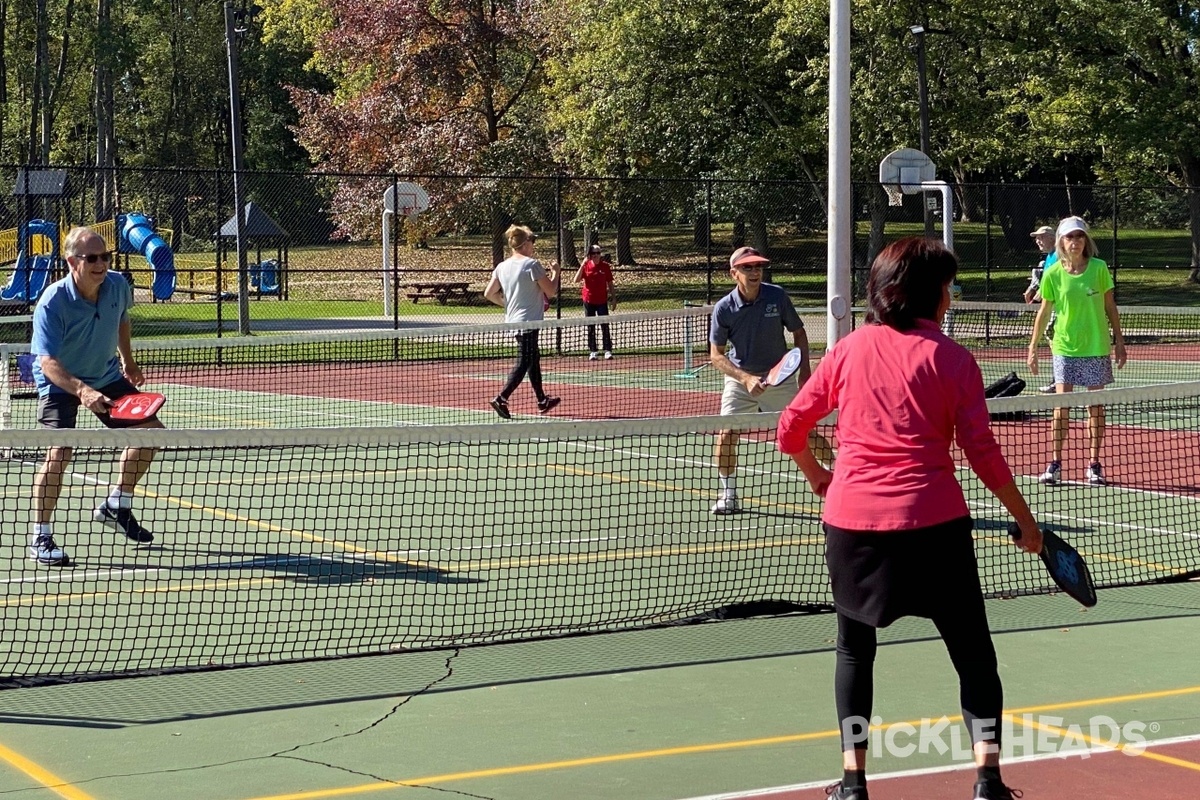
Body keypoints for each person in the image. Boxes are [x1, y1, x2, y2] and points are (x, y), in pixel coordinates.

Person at [776, 237, 1042, 800]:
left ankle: (853, 783)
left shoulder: (847, 350)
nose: (951, 297)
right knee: (973, 654)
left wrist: (819, 478)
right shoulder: (954, 359)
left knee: (854, 651)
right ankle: (988, 780)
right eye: (948, 286)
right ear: (932, 294)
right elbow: (983, 454)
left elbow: (790, 428)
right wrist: (1027, 523)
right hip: (935, 524)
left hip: (852, 523)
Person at [28, 226, 163, 566]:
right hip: (59, 380)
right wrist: (82, 391)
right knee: (60, 450)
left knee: (152, 434)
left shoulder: (116, 284)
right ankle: (40, 534)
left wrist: (128, 361)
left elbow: (122, 321)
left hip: (105, 375)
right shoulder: (52, 301)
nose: (101, 263)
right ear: (73, 261)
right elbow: (47, 362)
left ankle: (117, 503)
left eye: (105, 256)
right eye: (93, 258)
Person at [709, 246, 811, 514]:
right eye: (747, 267)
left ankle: (838, 480)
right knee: (726, 435)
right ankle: (728, 495)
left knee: (804, 433)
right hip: (741, 379)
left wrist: (804, 371)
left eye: (758, 267)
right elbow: (716, 357)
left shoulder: (776, 296)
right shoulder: (723, 308)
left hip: (780, 376)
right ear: (734, 273)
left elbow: (799, 334)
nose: (754, 272)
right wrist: (745, 379)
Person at [1027, 216, 1127, 487]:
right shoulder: (1053, 273)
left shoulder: (1099, 268)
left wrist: (1119, 340)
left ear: (1086, 241)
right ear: (1061, 241)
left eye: (1079, 236)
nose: (1075, 241)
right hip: (1064, 348)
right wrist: (1033, 347)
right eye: (1070, 237)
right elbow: (1044, 311)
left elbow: (1110, 307)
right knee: (1061, 408)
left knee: (1095, 407)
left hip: (1096, 346)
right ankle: (1055, 463)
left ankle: (1094, 465)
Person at [483, 225, 562, 418]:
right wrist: (556, 273)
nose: (533, 245)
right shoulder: (531, 265)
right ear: (524, 243)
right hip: (529, 322)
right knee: (525, 360)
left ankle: (542, 400)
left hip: (516, 321)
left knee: (533, 358)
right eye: (532, 241)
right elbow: (551, 291)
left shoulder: (502, 267)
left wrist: (507, 305)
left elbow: (488, 293)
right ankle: (502, 397)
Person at [1024, 224, 1059, 393]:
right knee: (1053, 340)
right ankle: (1059, 380)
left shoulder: (1059, 256)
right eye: (1036, 238)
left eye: (1041, 237)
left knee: (1055, 341)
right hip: (1051, 307)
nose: (1038, 241)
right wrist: (1036, 289)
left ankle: (1060, 381)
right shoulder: (1049, 258)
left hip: (1060, 308)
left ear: (1052, 238)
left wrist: (1041, 293)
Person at [573, 243, 616, 360]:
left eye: (598, 253)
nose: (596, 255)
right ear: (590, 255)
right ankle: (593, 351)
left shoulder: (605, 266)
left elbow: (610, 283)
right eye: (594, 253)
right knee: (591, 326)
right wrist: (582, 265)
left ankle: (607, 350)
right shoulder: (586, 266)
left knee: (604, 325)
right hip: (588, 301)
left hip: (602, 301)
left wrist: (614, 298)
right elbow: (575, 280)